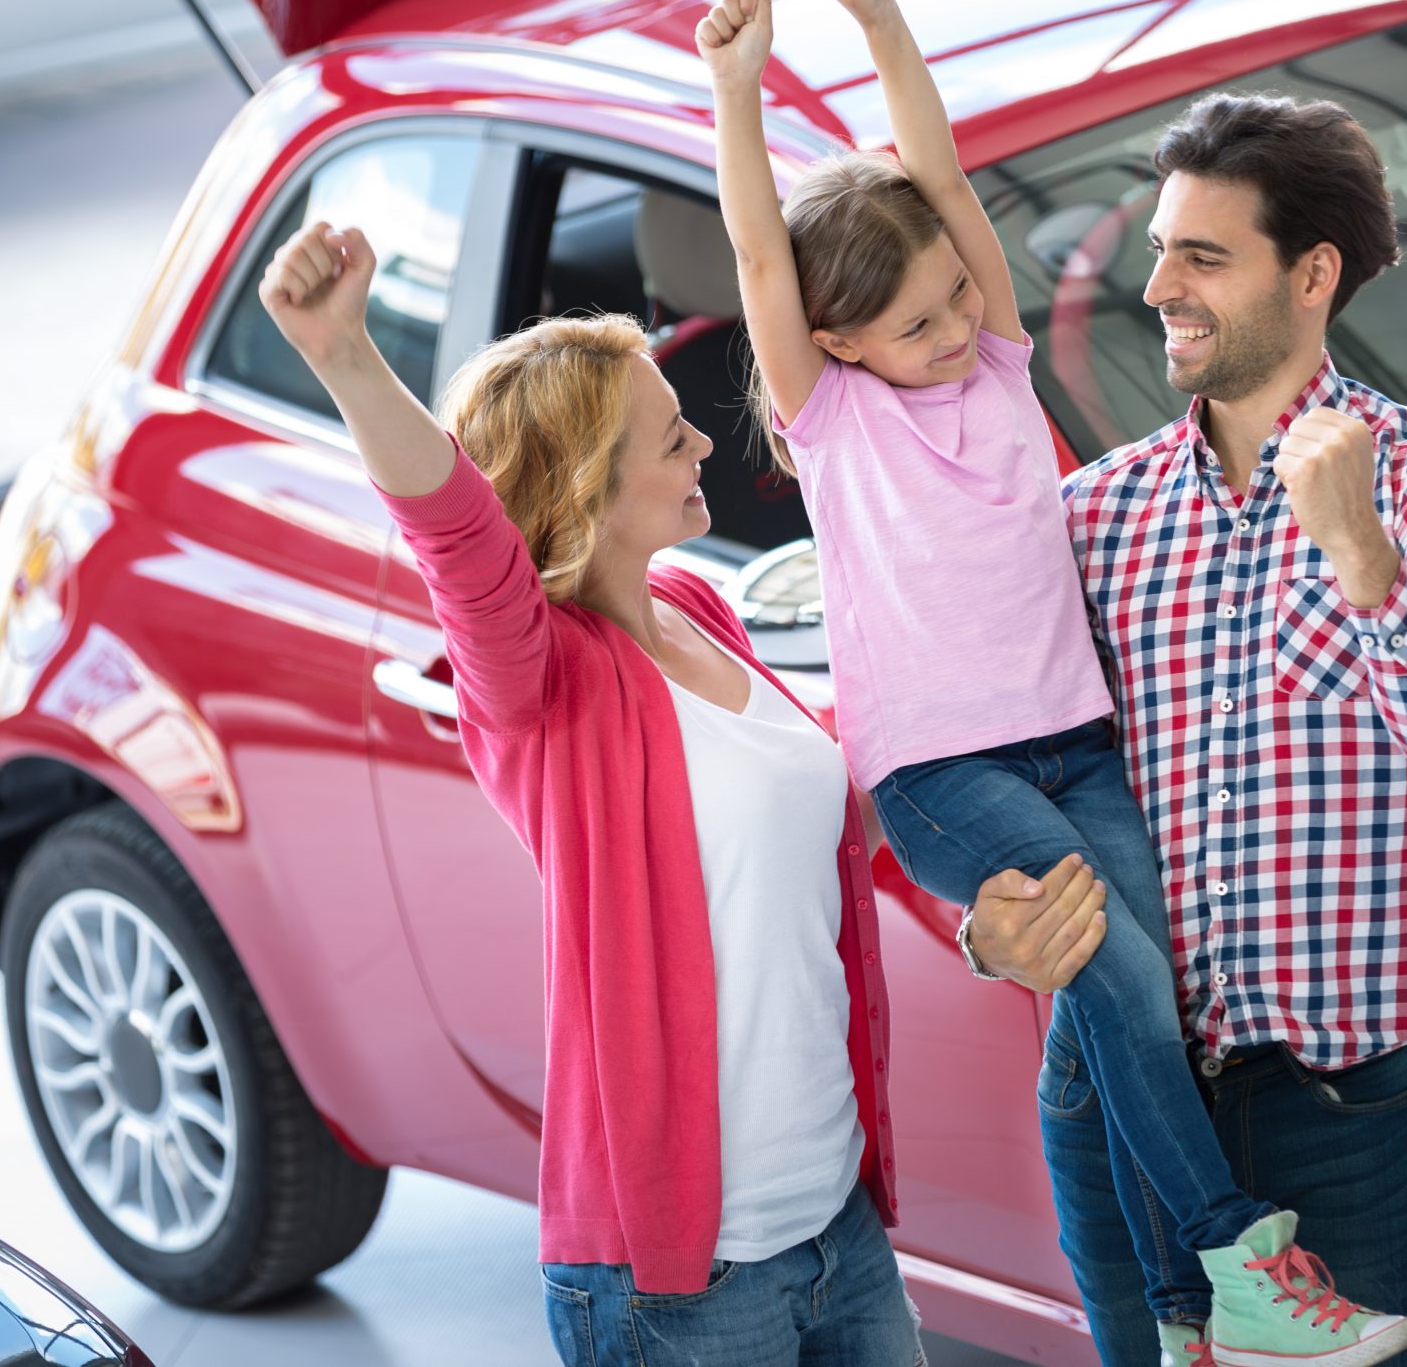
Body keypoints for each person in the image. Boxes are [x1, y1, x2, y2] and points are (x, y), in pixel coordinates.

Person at [699, 0, 1407, 1367]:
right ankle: (1234, 1257)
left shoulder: (999, 362)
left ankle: (1187, 1317)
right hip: (942, 766)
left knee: (1150, 989)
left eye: (963, 298)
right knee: (1121, 979)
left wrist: (881, 21)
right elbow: (756, 248)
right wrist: (737, 85)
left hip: (1072, 739)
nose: (959, 323)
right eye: (917, 323)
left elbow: (946, 181)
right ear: (837, 342)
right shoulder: (839, 420)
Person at [256, 224, 916, 1365]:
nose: (705, 441)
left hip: (836, 1224)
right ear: (587, 489)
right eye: (671, 437)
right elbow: (460, 542)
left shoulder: (699, 612)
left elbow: (814, 831)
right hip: (687, 1280)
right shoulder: (540, 688)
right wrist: (347, 356)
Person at [969, 91, 1407, 1367]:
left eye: (1204, 257)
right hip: (1113, 1087)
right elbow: (1002, 768)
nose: (1158, 284)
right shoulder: (1092, 517)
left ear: (1311, 275)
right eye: (1161, 248)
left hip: (1329, 1111)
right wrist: (981, 919)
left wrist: (1358, 550)